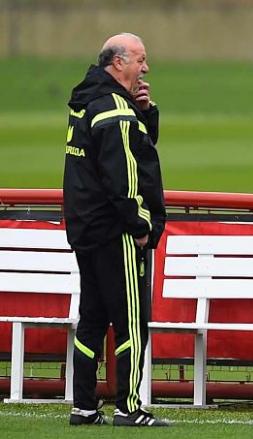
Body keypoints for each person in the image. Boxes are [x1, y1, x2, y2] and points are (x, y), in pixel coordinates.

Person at [63, 33, 168, 426]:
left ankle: (84, 407)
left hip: (86, 230)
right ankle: (129, 407)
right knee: (131, 321)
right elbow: (124, 177)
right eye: (141, 60)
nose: (146, 68)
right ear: (118, 62)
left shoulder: (88, 102)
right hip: (115, 232)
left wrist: (146, 113)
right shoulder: (114, 111)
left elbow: (131, 149)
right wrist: (140, 224)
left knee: (90, 319)